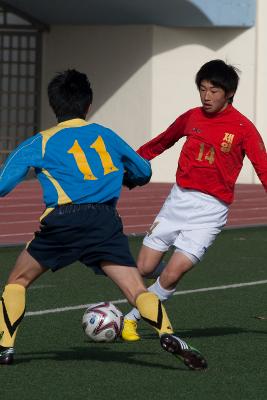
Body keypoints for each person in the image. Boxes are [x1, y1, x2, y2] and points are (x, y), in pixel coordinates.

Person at [0, 69, 207, 370]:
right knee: (136, 291)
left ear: (53, 105)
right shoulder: (105, 134)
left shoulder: (40, 142)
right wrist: (128, 178)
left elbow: (3, 185)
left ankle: (5, 347)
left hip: (63, 220)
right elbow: (143, 172)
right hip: (104, 222)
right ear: (88, 104)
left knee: (17, 281)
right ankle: (168, 334)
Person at [122, 59, 267, 341]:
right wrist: (130, 164)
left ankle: (131, 318)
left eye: (214, 90)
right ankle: (168, 280)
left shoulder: (243, 128)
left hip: (211, 211)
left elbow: (263, 168)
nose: (206, 96)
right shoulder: (191, 117)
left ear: (229, 93)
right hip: (177, 201)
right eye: (202, 89)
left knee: (173, 273)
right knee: (145, 268)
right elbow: (161, 142)